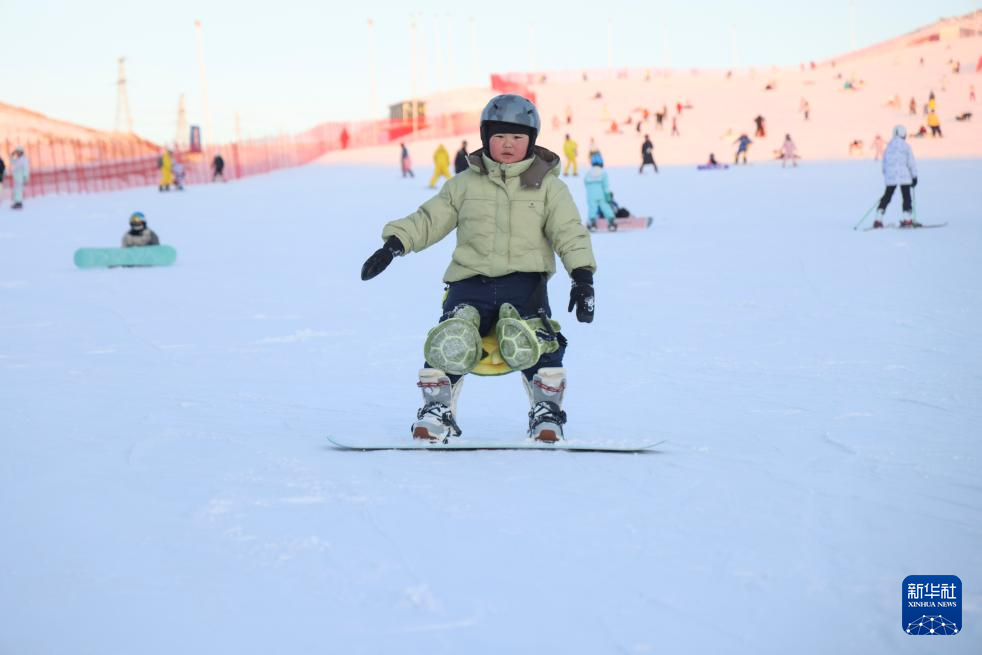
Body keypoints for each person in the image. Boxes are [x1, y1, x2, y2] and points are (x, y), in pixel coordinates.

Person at [360, 94, 596, 443]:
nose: (508, 144)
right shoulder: (464, 185)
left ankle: (547, 412)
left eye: (517, 137)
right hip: (469, 285)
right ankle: (436, 411)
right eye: (499, 136)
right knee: (451, 337)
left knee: (536, 339)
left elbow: (569, 232)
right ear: (486, 137)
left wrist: (582, 276)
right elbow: (429, 219)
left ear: (531, 140)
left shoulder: (549, 187)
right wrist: (395, 244)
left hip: (525, 286)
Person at [873, 125, 918, 229]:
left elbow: (884, 164)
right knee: (906, 197)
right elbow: (911, 162)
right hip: (904, 177)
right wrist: (914, 176)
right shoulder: (906, 146)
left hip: (891, 177)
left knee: (887, 197)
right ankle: (907, 219)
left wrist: (887, 176)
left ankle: (878, 219)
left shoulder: (889, 147)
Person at [585, 154, 616, 230]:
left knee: (592, 208)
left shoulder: (588, 173)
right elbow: (606, 186)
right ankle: (611, 221)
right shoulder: (603, 173)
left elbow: (585, 183)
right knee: (605, 206)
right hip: (601, 194)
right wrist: (608, 195)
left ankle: (592, 223)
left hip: (591, 195)